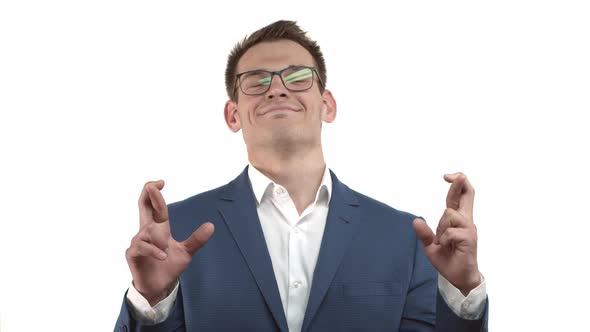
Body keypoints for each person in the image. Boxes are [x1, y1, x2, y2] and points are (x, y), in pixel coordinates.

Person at [115, 20, 488, 332]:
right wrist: (151, 300)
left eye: (296, 76)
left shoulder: (406, 238)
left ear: (327, 105)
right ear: (233, 115)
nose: (277, 88)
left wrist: (461, 291)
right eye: (256, 81)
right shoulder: (177, 232)